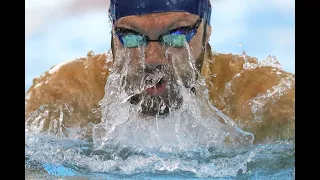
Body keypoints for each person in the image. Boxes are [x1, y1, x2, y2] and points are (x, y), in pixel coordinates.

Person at [25, 0, 295, 143]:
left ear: (207, 31)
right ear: (111, 34)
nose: (152, 59)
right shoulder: (65, 96)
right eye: (131, 37)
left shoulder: (265, 102)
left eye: (176, 37)